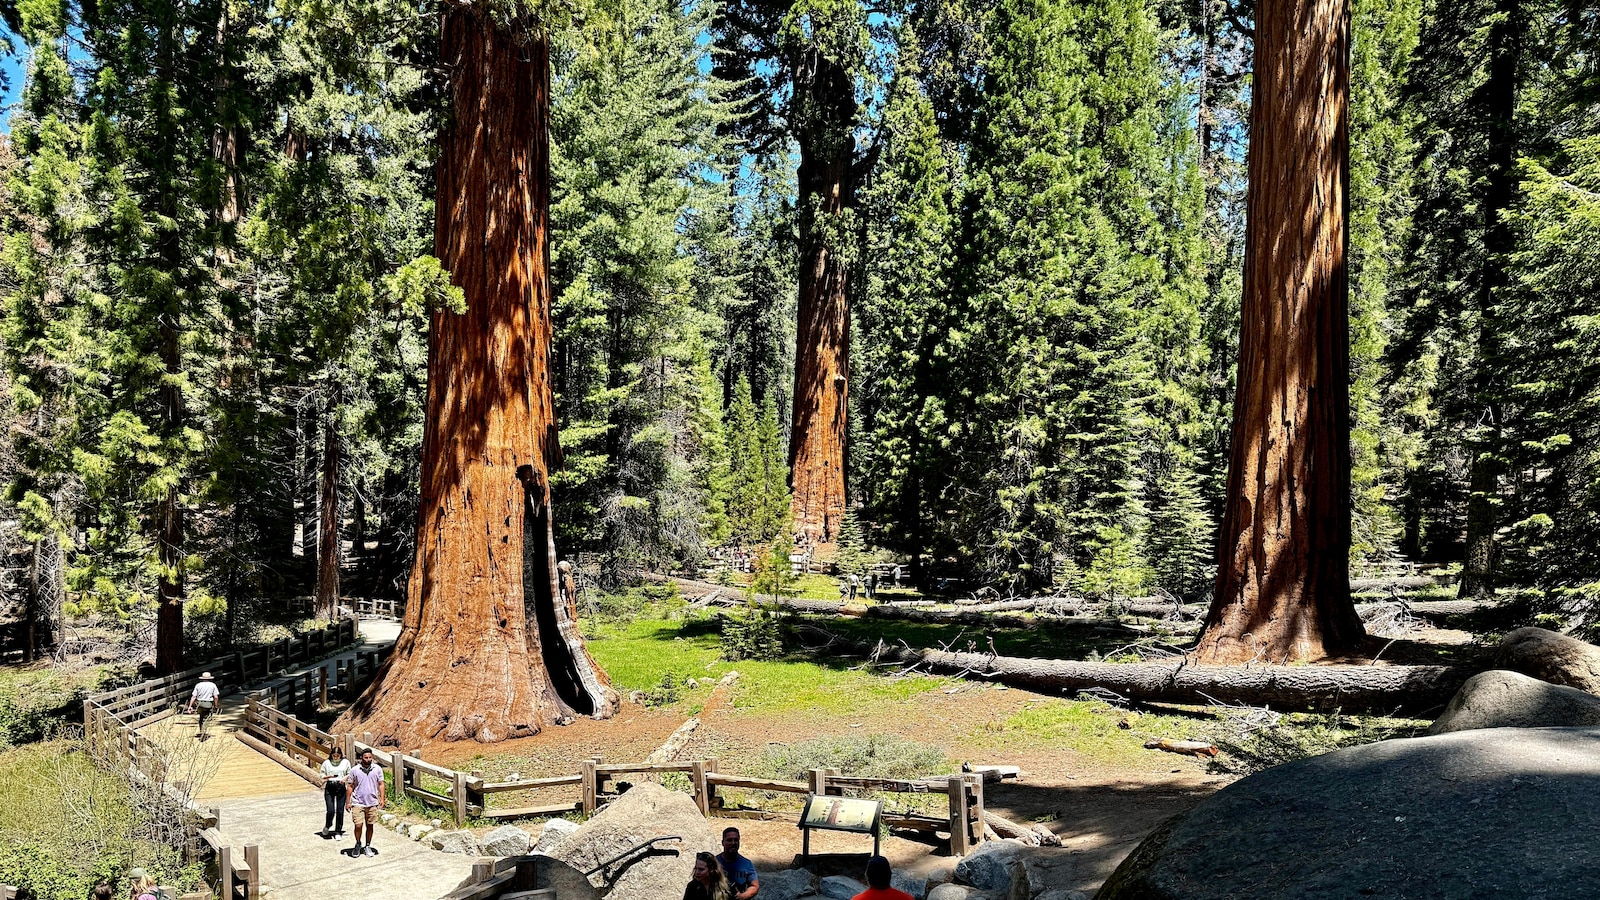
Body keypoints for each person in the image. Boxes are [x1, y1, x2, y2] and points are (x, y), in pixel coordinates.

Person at [346, 748, 386, 857]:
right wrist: (348, 801)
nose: (368, 760)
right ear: (361, 758)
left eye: (370, 757)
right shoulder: (355, 770)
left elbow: (381, 784)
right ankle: (358, 843)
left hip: (372, 802)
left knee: (370, 825)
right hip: (358, 801)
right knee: (358, 825)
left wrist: (382, 799)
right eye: (366, 757)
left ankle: (368, 845)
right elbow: (350, 786)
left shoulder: (377, 769)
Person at [716, 826, 760, 900]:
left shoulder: (747, 864)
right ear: (723, 842)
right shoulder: (714, 862)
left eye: (736, 840)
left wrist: (743, 896)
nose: (733, 843)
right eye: (729, 840)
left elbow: (755, 886)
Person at [319, 746, 351, 838]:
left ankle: (338, 831)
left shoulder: (345, 762)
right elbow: (321, 774)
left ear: (341, 755)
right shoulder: (327, 763)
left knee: (340, 811)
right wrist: (327, 777)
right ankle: (328, 825)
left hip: (340, 786)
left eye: (337, 756)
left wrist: (345, 778)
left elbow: (350, 773)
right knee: (331, 810)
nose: (336, 758)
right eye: (334, 756)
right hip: (330, 786)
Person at [186, 673, 220, 739]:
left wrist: (190, 706)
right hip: (208, 703)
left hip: (199, 703)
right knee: (206, 718)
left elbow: (193, 696)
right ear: (210, 678)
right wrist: (216, 705)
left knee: (201, 717)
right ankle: (203, 733)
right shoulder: (213, 685)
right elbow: (216, 697)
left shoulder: (198, 685)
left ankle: (201, 730)